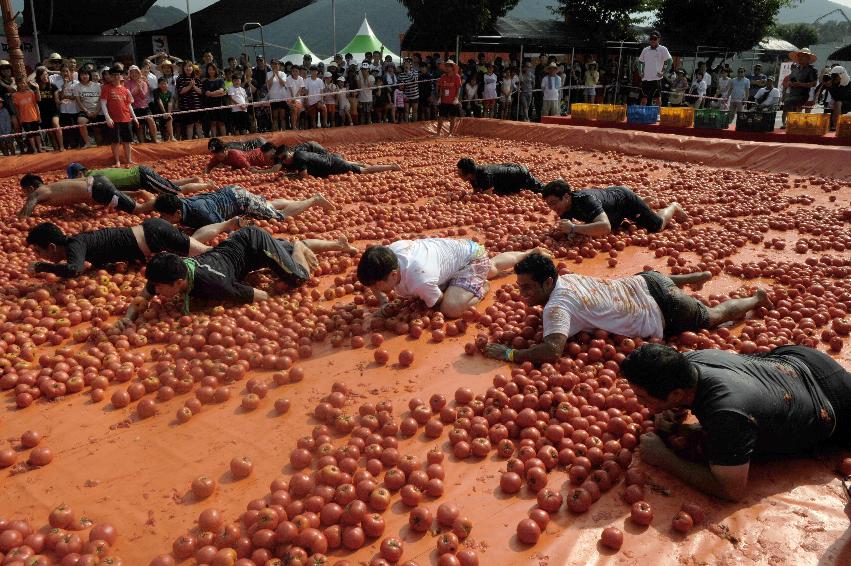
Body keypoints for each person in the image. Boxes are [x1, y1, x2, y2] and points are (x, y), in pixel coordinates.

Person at [620, 343, 851, 501]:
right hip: (800, 358)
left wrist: (664, 458)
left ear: (676, 393)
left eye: (643, 397)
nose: (638, 402)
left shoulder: (727, 414)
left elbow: (731, 490)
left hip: (837, 405)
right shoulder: (690, 361)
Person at [482, 252, 772, 364]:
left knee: (713, 317)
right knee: (658, 283)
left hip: (662, 309)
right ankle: (693, 278)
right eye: (520, 287)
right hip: (648, 280)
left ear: (547, 282)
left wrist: (510, 353)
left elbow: (552, 350)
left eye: (528, 288)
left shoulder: (556, 307)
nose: (522, 294)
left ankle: (755, 299)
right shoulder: (567, 278)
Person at [114, 226, 357, 328]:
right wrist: (127, 318)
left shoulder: (214, 283)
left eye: (158, 287)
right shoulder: (167, 270)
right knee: (284, 253)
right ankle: (336, 243)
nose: (156, 291)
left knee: (297, 277)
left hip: (255, 244)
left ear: (179, 283)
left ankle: (300, 248)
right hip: (237, 248)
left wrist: (282, 306)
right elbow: (142, 297)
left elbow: (258, 295)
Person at [356, 238, 549, 319]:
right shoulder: (386, 256)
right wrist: (383, 303)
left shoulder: (419, 278)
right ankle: (527, 253)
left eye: (377, 286)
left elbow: (439, 303)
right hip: (455, 251)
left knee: (451, 309)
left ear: (393, 275)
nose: (374, 288)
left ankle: (481, 286)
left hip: (470, 259)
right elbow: (373, 282)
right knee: (492, 267)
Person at [26, 219, 211, 278]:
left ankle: (233, 234)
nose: (39, 255)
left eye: (38, 251)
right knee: (196, 247)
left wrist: (42, 267)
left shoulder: (75, 245)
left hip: (155, 234)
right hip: (152, 235)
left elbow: (73, 269)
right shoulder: (78, 244)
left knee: (206, 253)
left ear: (51, 247)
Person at [152, 185, 334, 243]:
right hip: (230, 194)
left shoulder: (202, 213)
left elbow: (232, 224)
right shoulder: (179, 205)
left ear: (176, 212)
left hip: (240, 201)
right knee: (266, 206)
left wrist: (251, 229)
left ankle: (314, 199)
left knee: (278, 217)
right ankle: (289, 202)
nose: (164, 220)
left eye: (166, 217)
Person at [542, 180, 685, 238]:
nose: (552, 208)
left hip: (624, 200)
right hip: (611, 206)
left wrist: (573, 228)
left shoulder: (585, 201)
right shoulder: (564, 207)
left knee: (657, 226)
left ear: (566, 196)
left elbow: (605, 227)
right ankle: (643, 203)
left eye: (554, 203)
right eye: (549, 205)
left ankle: (673, 206)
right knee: (618, 225)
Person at [18, 173, 150, 218]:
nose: (24, 195)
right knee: (111, 196)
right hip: (98, 184)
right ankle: (138, 193)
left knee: (138, 210)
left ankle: (158, 202)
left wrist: (18, 221)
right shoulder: (54, 189)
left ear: (30, 188)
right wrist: (87, 211)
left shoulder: (38, 192)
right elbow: (75, 203)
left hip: (97, 189)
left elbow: (29, 206)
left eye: (24, 191)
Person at [67, 162, 212, 196]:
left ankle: (207, 185)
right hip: (140, 175)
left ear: (79, 174)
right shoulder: (93, 172)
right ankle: (193, 179)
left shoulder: (91, 180)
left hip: (140, 177)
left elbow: (113, 192)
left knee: (174, 192)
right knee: (166, 184)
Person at [276, 145, 400, 178]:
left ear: (290, 152)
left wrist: (291, 176)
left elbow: (304, 177)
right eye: (282, 159)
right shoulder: (298, 153)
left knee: (365, 171)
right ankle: (357, 163)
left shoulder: (298, 159)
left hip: (334, 165)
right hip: (331, 159)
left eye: (284, 157)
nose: (284, 161)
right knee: (348, 164)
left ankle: (391, 166)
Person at [100, 66, 138, 166]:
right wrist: (107, 117)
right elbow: (103, 103)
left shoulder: (125, 90)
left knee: (127, 141)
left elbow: (129, 105)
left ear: (121, 76)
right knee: (115, 142)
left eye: (118, 74)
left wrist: (134, 117)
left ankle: (128, 159)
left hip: (126, 118)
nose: (116, 77)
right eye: (114, 75)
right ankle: (117, 161)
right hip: (114, 119)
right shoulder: (106, 88)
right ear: (111, 76)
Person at [456, 158, 544, 195]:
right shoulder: (473, 175)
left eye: (460, 174)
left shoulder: (484, 176)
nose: (458, 175)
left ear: (468, 174)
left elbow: (487, 197)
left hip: (519, 174)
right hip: (508, 169)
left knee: (542, 190)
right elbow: (476, 191)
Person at [782, 48, 818, 127]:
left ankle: (794, 123)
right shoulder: (795, 69)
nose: (800, 58)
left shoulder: (812, 70)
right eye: (799, 56)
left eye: (803, 56)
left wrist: (800, 84)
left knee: (789, 103)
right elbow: (789, 81)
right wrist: (790, 83)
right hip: (793, 93)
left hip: (803, 95)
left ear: (808, 58)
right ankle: (792, 123)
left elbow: (814, 83)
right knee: (793, 107)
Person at [205, 138, 279, 173]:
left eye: (218, 154)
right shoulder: (217, 157)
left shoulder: (236, 156)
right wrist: (206, 175)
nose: (217, 156)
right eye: (215, 154)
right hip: (255, 150)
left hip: (259, 155)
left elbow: (250, 169)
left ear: (225, 150)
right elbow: (208, 166)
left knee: (277, 157)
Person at [637, 31, 672, 106]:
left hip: (656, 78)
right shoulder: (645, 49)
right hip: (645, 78)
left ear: (658, 39)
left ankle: (658, 115)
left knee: (657, 99)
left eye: (655, 38)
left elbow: (670, 61)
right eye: (651, 38)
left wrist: (664, 73)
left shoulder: (663, 49)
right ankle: (643, 114)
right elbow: (639, 62)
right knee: (643, 98)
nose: (652, 40)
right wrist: (640, 72)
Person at [126, 65, 158, 144]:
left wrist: (139, 89)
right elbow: (130, 96)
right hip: (134, 108)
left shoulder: (143, 82)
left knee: (150, 120)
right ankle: (142, 142)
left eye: (136, 72)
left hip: (145, 106)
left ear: (139, 73)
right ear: (129, 74)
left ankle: (154, 139)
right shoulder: (127, 83)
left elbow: (144, 96)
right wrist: (137, 88)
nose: (134, 74)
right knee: (140, 127)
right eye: (132, 72)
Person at [34, 66, 63, 151]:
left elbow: (56, 100)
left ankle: (61, 146)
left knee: (55, 124)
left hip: (54, 111)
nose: (45, 77)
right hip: (42, 112)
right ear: (39, 76)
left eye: (46, 75)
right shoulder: (35, 86)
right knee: (50, 132)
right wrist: (37, 89)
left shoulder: (53, 86)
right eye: (43, 75)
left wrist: (61, 101)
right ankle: (55, 147)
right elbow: (38, 100)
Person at [74, 68, 103, 146]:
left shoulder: (98, 85)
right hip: (84, 111)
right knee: (81, 121)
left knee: (97, 130)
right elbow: (78, 101)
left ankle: (100, 146)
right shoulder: (77, 87)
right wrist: (86, 111)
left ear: (89, 75)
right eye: (82, 74)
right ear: (79, 76)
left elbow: (101, 100)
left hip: (97, 111)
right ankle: (87, 142)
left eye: (86, 74)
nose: (84, 76)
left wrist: (96, 111)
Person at [176, 60, 203, 139]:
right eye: (186, 66)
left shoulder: (197, 78)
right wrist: (190, 86)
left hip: (198, 106)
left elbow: (201, 92)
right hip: (186, 107)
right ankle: (190, 144)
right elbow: (180, 91)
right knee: (190, 125)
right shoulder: (180, 78)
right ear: (183, 68)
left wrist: (194, 86)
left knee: (198, 125)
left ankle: (203, 143)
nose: (188, 68)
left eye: (190, 66)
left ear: (193, 68)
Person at [12, 81, 41, 154]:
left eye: (23, 83)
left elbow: (36, 104)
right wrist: (19, 119)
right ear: (17, 85)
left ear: (26, 84)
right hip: (24, 118)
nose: (22, 84)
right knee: (30, 135)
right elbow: (16, 109)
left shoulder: (31, 92)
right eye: (20, 83)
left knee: (37, 133)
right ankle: (34, 149)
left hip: (34, 116)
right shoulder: (15, 95)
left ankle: (40, 149)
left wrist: (39, 116)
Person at [436, 60, 462, 136]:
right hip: (444, 101)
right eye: (446, 66)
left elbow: (458, 88)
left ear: (452, 67)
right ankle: (438, 133)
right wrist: (440, 98)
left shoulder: (457, 77)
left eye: (449, 66)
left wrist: (456, 98)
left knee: (453, 118)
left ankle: (450, 133)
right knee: (440, 117)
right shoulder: (443, 77)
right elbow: (441, 88)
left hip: (453, 101)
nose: (447, 68)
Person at [202, 63, 227, 137]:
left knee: (221, 123)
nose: (211, 71)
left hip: (220, 104)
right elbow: (206, 93)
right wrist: (218, 94)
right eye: (209, 69)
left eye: (213, 69)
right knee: (213, 123)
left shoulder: (220, 80)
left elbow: (222, 90)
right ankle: (214, 139)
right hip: (210, 105)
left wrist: (212, 94)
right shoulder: (205, 82)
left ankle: (225, 139)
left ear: (215, 70)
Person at [266, 59, 288, 131]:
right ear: (271, 65)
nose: (275, 65)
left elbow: (283, 84)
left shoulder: (283, 74)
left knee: (283, 116)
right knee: (275, 117)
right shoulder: (268, 74)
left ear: (279, 65)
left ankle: (284, 132)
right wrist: (273, 75)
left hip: (282, 98)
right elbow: (268, 86)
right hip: (273, 98)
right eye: (273, 64)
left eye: (276, 64)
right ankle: (276, 132)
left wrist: (277, 75)